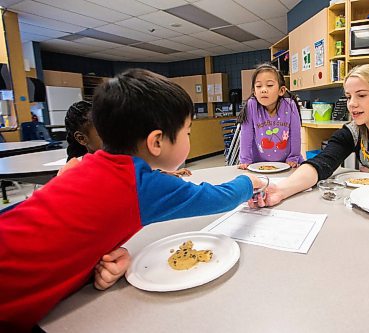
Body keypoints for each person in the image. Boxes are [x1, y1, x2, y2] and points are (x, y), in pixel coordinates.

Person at [0, 68, 264, 332]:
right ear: (157, 141)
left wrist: (90, 266)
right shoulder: (142, 186)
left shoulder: (84, 165)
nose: (189, 138)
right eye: (187, 132)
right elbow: (219, 198)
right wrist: (250, 182)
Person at [252, 63, 369, 207]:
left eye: (361, 95)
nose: (352, 104)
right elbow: (322, 163)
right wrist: (281, 190)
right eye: (348, 97)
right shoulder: (354, 130)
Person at [63, 100, 191, 176]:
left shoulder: (116, 159)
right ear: (81, 138)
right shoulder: (73, 171)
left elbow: (136, 177)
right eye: (104, 132)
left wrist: (166, 174)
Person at [237, 63, 303, 169]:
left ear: (281, 90)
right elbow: (246, 135)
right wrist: (245, 160)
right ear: (254, 92)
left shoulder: (289, 105)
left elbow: (296, 134)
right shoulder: (251, 105)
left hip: (288, 162)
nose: (263, 89)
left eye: (269, 85)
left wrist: (293, 157)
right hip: (259, 164)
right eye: (258, 86)